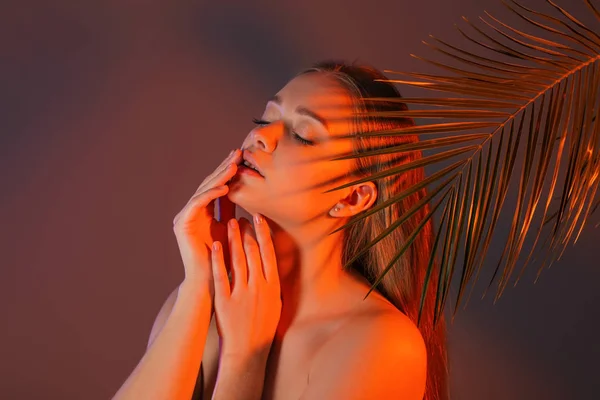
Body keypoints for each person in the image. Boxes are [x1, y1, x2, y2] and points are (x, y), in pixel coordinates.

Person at [112, 60, 449, 400]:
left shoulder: (382, 343)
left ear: (353, 197)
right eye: (265, 119)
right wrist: (198, 285)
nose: (260, 135)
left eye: (302, 135)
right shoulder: (199, 301)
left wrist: (244, 361)